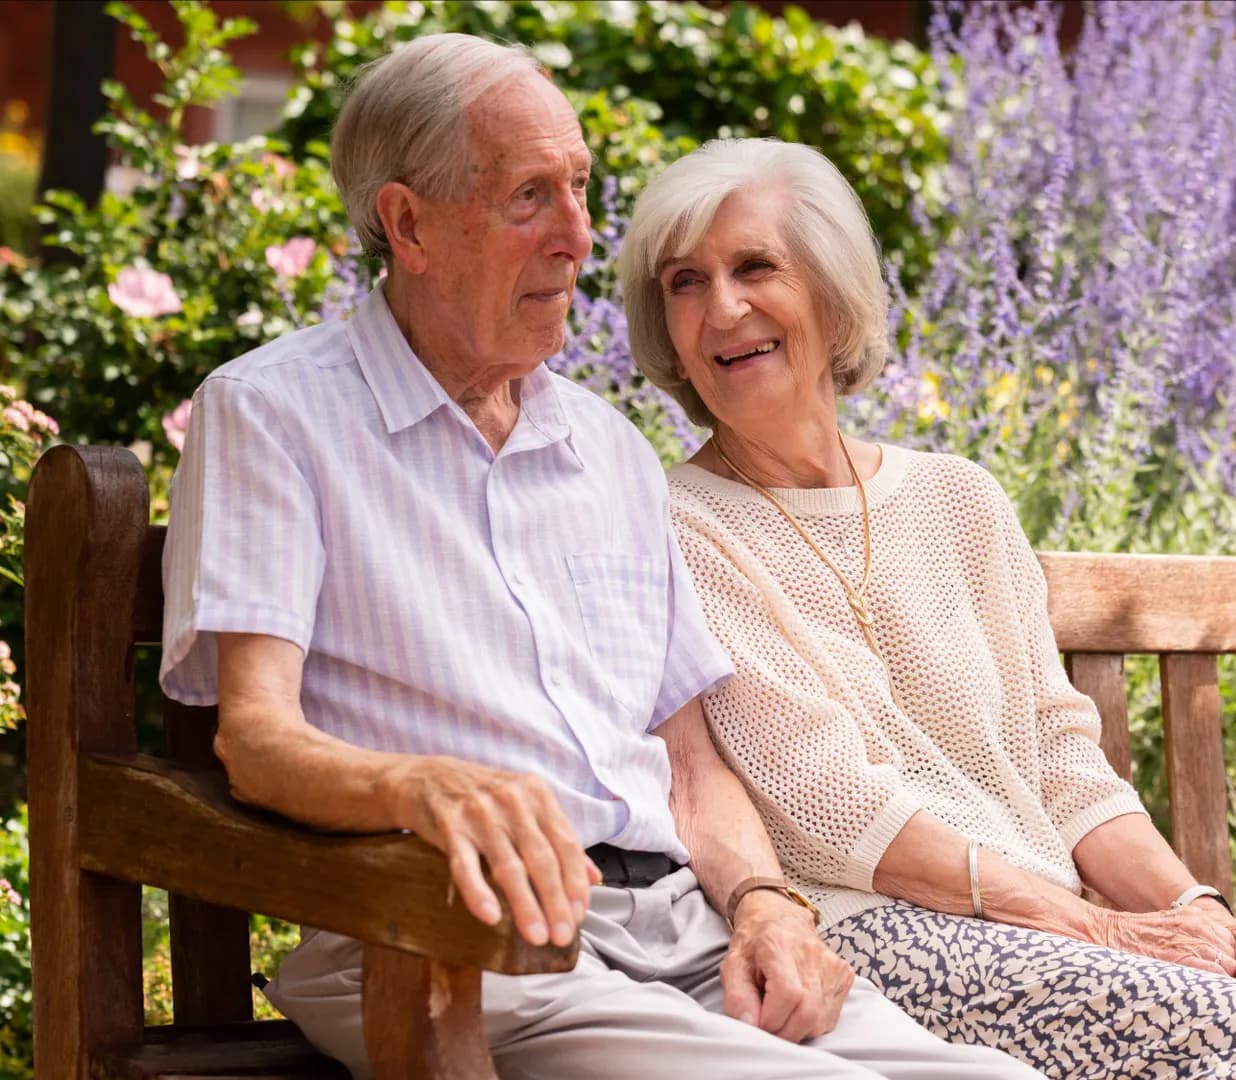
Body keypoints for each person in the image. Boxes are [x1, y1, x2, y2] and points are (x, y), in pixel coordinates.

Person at [159, 35, 1041, 1080]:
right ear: (408, 224)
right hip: (451, 942)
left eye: (579, 190)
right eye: (531, 196)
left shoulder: (608, 449)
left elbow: (690, 764)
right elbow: (257, 739)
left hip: (678, 934)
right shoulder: (274, 414)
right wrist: (421, 788)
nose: (580, 237)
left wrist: (768, 906)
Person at [617, 136, 1236, 1079]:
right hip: (877, 938)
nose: (723, 309)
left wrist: (1195, 911)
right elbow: (828, 804)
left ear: (832, 292)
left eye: (755, 266)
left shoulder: (957, 498)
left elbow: (1063, 764)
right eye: (685, 283)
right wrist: (1089, 923)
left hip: (1048, 925)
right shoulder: (680, 523)